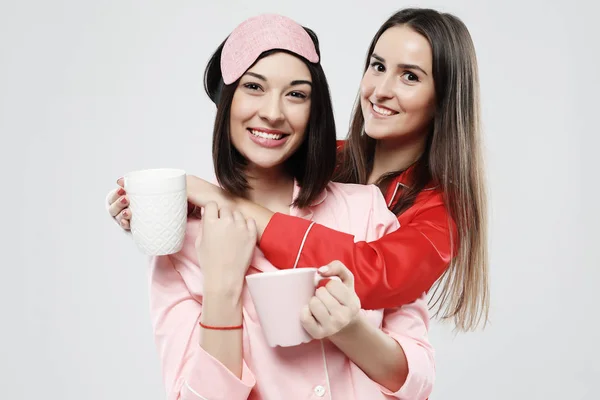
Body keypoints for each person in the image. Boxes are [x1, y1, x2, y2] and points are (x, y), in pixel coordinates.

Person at [108, 7, 489, 331]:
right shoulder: (325, 156)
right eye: (377, 66)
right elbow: (256, 182)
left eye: (410, 76)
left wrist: (217, 199)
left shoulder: (445, 209)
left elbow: (371, 273)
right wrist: (164, 208)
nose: (380, 90)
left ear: (444, 99)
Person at [125, 14, 434, 400]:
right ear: (227, 101)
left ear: (313, 111)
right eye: (254, 87)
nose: (273, 112)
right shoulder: (183, 244)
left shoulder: (367, 210)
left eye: (296, 94)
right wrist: (222, 289)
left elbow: (419, 382)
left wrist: (348, 328)